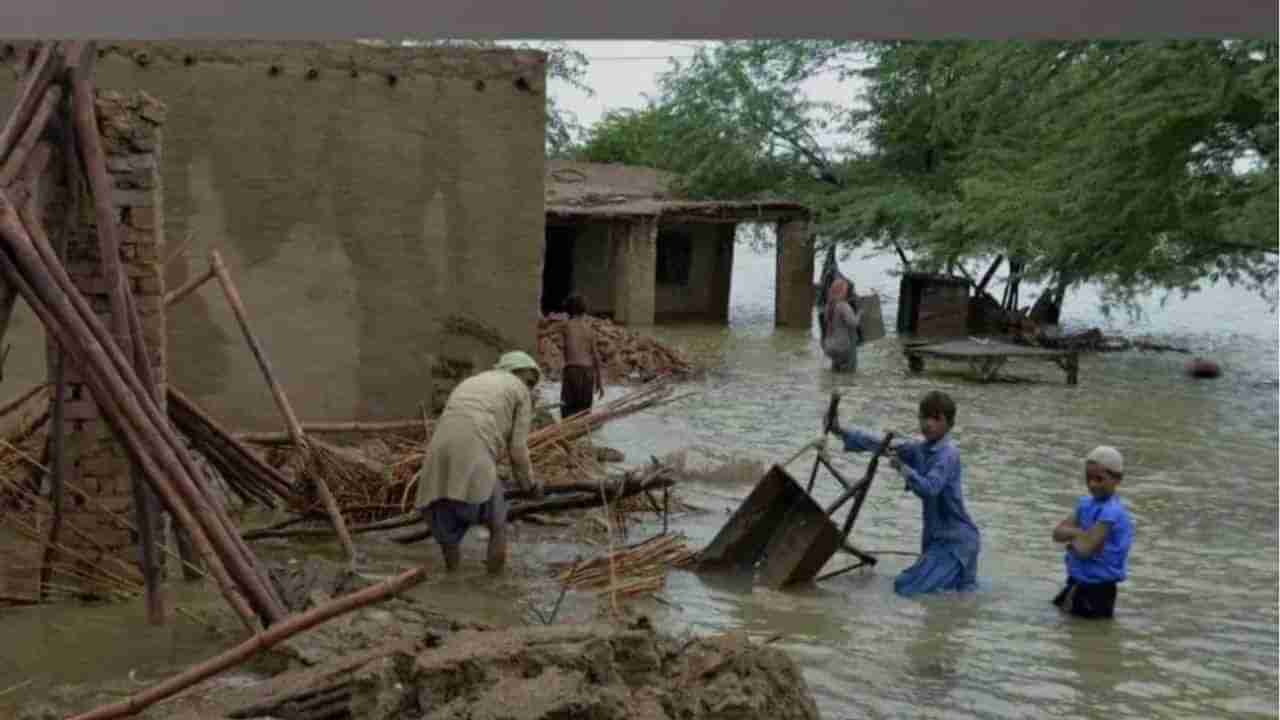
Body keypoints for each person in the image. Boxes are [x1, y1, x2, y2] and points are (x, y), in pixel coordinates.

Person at [832, 390, 981, 596]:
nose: (927, 423)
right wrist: (839, 431)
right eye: (923, 417)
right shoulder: (919, 449)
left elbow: (930, 488)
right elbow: (879, 443)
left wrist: (903, 468)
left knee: (905, 587)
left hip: (955, 544)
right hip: (939, 542)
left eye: (935, 418)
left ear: (947, 423)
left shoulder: (948, 455)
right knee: (957, 599)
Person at [414, 351, 544, 575]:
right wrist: (529, 485)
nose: (530, 388)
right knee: (497, 523)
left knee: (447, 528)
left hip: (438, 448)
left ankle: (452, 580)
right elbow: (518, 451)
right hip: (475, 445)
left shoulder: (473, 381)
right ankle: (494, 588)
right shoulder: (519, 390)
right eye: (529, 381)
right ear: (515, 372)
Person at [1051, 446, 1134, 619]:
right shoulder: (1085, 504)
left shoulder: (1112, 512)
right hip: (1076, 583)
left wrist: (1074, 538)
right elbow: (1057, 534)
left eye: (1099, 479)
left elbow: (1085, 549)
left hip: (1098, 591)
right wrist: (1081, 534)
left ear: (1117, 479)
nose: (1092, 484)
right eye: (1088, 478)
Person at [559, 294, 604, 419]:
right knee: (584, 413)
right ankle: (582, 437)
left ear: (568, 310)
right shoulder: (589, 329)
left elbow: (545, 331)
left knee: (567, 411)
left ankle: (565, 436)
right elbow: (596, 357)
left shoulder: (565, 325)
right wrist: (600, 383)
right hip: (588, 373)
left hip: (572, 370)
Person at [821, 278, 862, 373]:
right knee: (849, 373)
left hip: (829, 346)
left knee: (835, 371)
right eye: (846, 290)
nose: (847, 292)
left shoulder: (828, 306)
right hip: (843, 346)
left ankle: (833, 385)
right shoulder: (843, 306)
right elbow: (853, 323)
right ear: (842, 291)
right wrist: (859, 314)